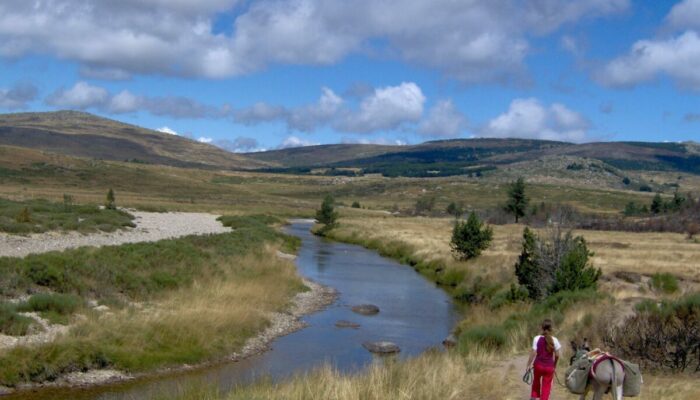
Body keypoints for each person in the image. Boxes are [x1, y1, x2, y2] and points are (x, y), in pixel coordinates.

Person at [525, 319, 561, 400]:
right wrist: (554, 366)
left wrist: (528, 365)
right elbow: (557, 355)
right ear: (551, 328)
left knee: (536, 382)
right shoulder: (554, 340)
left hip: (538, 365)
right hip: (549, 367)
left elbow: (533, 352)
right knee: (546, 386)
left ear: (542, 327)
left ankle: (533, 398)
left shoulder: (536, 338)